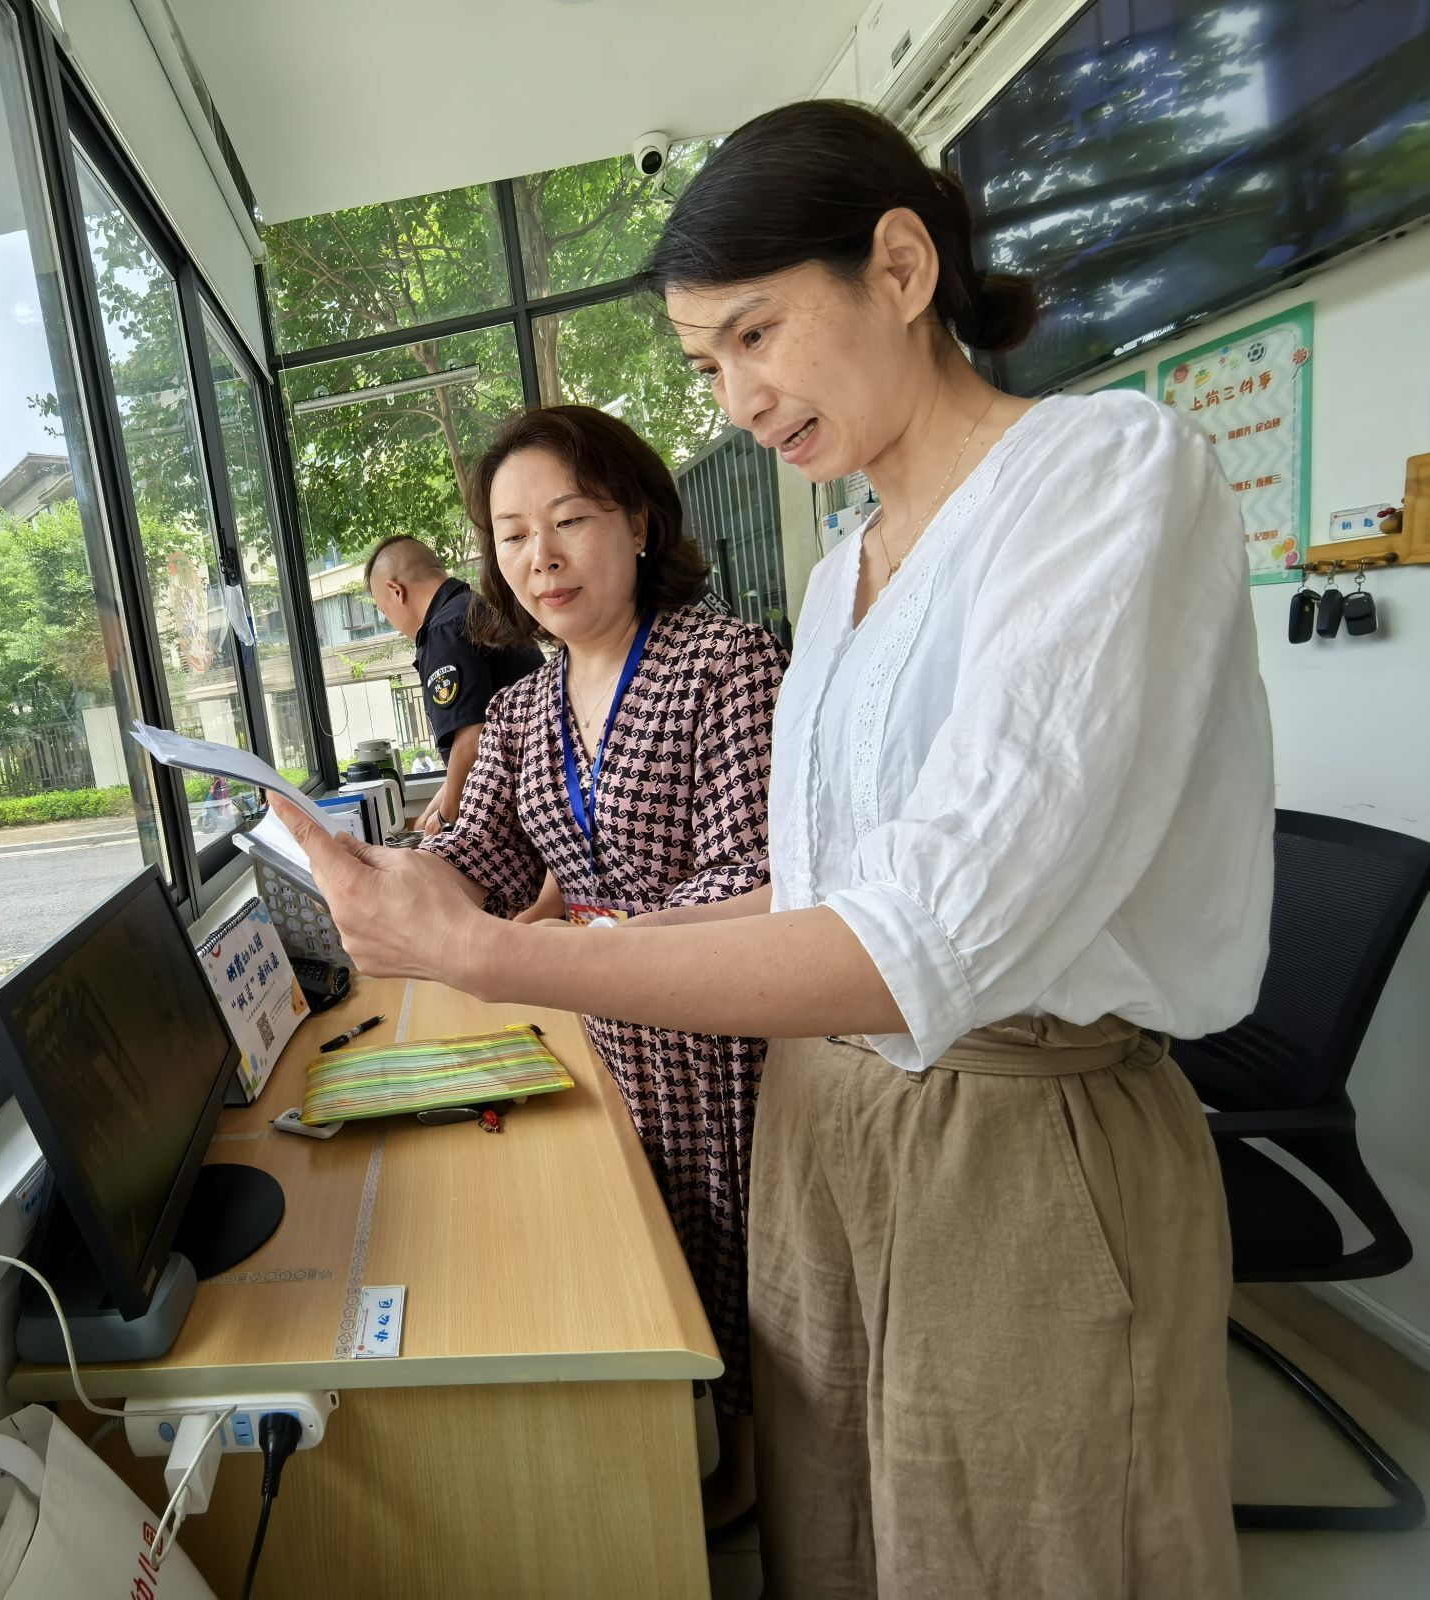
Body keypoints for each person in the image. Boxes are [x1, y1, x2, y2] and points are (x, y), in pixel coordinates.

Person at [274, 99, 1269, 1600]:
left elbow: (917, 937)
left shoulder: (1101, 478)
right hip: (817, 1117)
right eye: (705, 364)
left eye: (755, 334)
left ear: (901, 267)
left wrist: (499, 955)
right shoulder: (841, 570)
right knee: (843, 1535)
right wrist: (506, 922)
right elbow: (808, 891)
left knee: (1020, 1543)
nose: (737, 397)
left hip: (1007, 1130)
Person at [416, 404, 785, 1529]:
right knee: (642, 1253)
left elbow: (756, 870)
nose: (541, 557)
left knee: (741, 1262)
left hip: (730, 1039)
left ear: (636, 522)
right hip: (606, 1035)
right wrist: (377, 876)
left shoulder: (725, 661)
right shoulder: (523, 707)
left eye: (569, 519)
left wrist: (588, 943)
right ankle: (682, 1453)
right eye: (513, 535)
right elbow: (474, 856)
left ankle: (760, 1469)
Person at [362, 535, 542, 833]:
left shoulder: (444, 631)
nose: (392, 622)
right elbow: (471, 749)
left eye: (384, 610)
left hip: (520, 811)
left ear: (396, 591)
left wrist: (445, 818)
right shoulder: (475, 608)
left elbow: (472, 739)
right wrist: (427, 816)